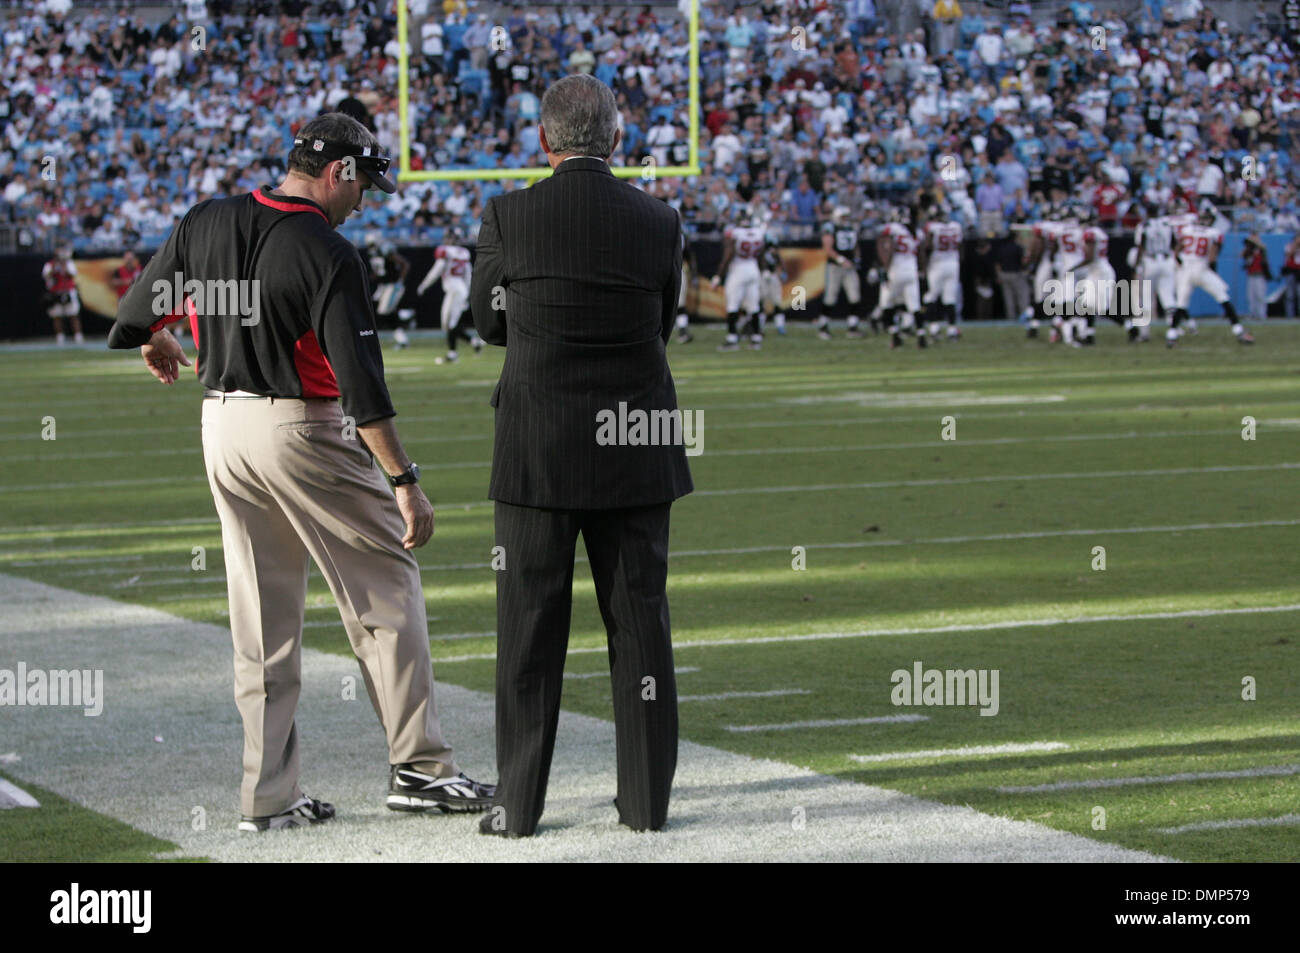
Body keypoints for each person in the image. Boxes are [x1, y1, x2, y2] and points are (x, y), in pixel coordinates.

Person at [106, 112, 493, 832]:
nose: (364, 199)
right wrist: (405, 480)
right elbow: (363, 386)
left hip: (220, 425)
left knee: (262, 620)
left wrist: (155, 336)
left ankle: (269, 795)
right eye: (363, 183)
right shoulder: (328, 249)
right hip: (299, 426)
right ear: (339, 171)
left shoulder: (207, 217)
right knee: (385, 586)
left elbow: (132, 316)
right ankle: (421, 767)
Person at [470, 74, 692, 839]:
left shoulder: (508, 214)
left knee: (528, 632)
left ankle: (519, 806)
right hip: (636, 444)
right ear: (616, 140)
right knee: (641, 628)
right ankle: (645, 806)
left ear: (545, 141)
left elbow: (489, 323)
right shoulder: (660, 219)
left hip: (538, 448)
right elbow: (662, 320)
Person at [43, 244, 83, 345]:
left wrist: (64, 267)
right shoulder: (50, 264)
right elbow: (46, 275)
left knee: (73, 314)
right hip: (55, 292)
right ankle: (60, 337)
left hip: (68, 290)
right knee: (57, 315)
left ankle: (78, 336)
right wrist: (55, 267)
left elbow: (73, 274)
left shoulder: (68, 263)